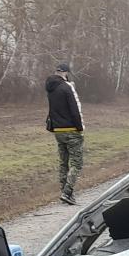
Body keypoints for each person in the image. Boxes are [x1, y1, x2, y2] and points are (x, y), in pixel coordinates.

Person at [45, 62, 85, 204]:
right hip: (72, 130)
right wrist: (80, 128)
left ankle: (64, 192)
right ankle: (68, 193)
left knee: (64, 163)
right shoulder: (67, 87)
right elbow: (75, 110)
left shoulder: (50, 88)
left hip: (58, 130)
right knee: (77, 163)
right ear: (66, 73)